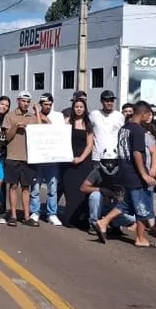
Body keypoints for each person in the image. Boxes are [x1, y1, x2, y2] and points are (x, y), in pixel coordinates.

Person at [93, 101, 156, 248]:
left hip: (124, 172)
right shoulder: (138, 131)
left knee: (127, 204)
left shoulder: (124, 129)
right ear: (144, 114)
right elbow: (137, 153)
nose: (149, 117)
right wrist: (144, 174)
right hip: (135, 173)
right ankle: (141, 238)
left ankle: (103, 222)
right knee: (142, 206)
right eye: (149, 114)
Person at [2, 92, 39, 227]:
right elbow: (7, 137)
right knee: (13, 186)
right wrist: (16, 127)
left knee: (26, 188)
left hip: (28, 158)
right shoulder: (10, 116)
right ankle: (12, 215)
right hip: (13, 156)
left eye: (28, 101)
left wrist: (37, 112)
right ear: (18, 101)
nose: (26, 104)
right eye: (23, 101)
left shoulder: (32, 117)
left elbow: (41, 131)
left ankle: (27, 215)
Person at [30, 93, 66, 226]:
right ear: (40, 104)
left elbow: (60, 133)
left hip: (53, 158)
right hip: (38, 158)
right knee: (36, 187)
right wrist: (38, 113)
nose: (48, 107)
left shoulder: (58, 116)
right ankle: (35, 211)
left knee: (53, 187)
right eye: (45, 104)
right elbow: (38, 130)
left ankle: (52, 213)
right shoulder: (34, 116)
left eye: (50, 104)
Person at [61, 97, 94, 228]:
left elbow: (90, 145)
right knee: (70, 190)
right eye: (76, 107)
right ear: (73, 108)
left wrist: (80, 158)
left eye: (81, 107)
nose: (78, 109)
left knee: (82, 191)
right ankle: (69, 218)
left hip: (84, 161)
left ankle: (82, 219)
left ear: (84, 108)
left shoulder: (88, 124)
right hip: (68, 160)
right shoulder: (67, 122)